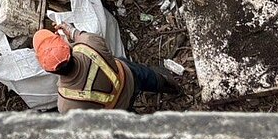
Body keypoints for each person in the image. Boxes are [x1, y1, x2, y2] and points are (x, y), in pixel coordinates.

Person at [33, 25, 181, 112]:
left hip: (119, 109)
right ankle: (173, 87)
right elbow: (80, 35)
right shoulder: (89, 43)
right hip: (129, 76)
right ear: (68, 47)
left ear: (49, 70)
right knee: (151, 78)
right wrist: (71, 31)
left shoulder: (66, 103)